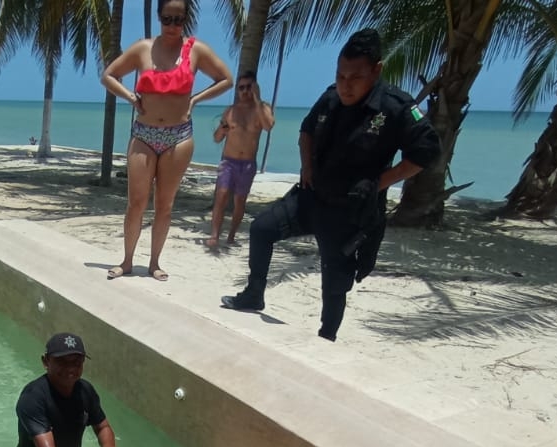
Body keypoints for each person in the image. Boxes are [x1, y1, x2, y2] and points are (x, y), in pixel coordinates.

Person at [220, 28, 441, 341]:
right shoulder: (330, 97)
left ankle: (327, 336)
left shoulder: (396, 107)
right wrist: (306, 165)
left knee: (334, 280)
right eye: (340, 75)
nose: (346, 85)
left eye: (355, 77)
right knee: (261, 229)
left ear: (376, 70)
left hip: (350, 209)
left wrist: (381, 182)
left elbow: (428, 151)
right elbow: (306, 131)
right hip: (312, 196)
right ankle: (253, 294)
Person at [101, 0, 232, 282]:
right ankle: (126, 261)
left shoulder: (196, 50)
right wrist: (131, 98)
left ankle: (155, 263)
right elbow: (108, 76)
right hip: (144, 134)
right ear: (159, 18)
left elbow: (226, 79)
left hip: (179, 136)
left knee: (165, 204)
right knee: (136, 202)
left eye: (179, 19)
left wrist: (196, 99)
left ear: (186, 20)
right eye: (167, 19)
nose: (173, 25)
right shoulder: (142, 48)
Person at [5, 332, 123, 447]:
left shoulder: (85, 391)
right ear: (46, 361)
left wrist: (109, 445)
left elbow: (102, 425)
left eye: (76, 362)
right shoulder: (33, 397)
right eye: (62, 362)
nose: (70, 369)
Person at [207, 70, 275, 248]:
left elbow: (268, 126)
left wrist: (258, 99)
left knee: (240, 200)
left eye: (248, 87)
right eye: (241, 88)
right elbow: (217, 138)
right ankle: (214, 235)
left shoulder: (262, 109)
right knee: (221, 196)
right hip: (228, 161)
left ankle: (231, 236)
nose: (244, 91)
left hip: (247, 164)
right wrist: (222, 129)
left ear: (255, 87)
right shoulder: (230, 111)